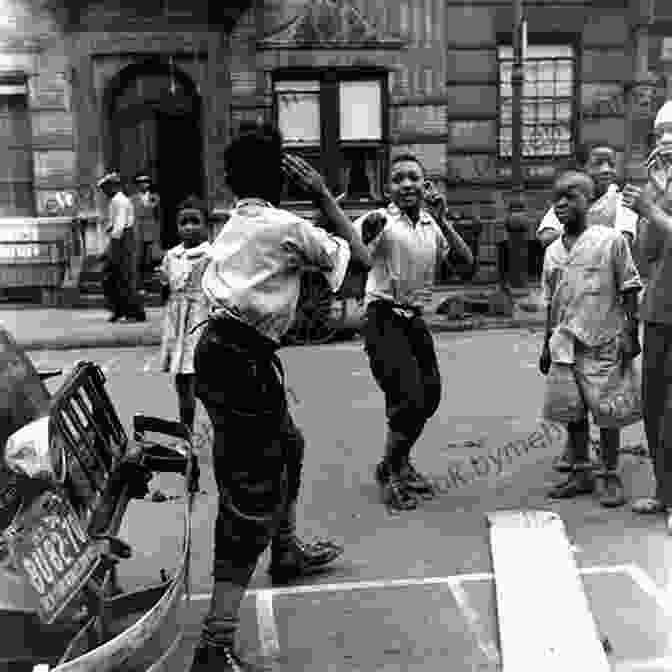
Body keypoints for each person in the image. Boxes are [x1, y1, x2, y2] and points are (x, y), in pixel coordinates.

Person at [188, 122, 372, 671]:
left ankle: (286, 551)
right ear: (280, 176)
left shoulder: (238, 224)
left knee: (288, 445)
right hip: (242, 361)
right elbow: (359, 260)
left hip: (224, 355)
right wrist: (321, 195)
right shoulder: (284, 224)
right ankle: (215, 644)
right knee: (250, 496)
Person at [353, 155, 474, 512]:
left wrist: (443, 218)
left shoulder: (430, 225)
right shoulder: (379, 220)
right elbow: (353, 253)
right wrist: (364, 235)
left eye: (413, 178)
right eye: (398, 179)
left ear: (426, 186)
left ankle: (400, 461)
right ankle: (389, 471)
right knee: (406, 398)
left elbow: (466, 266)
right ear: (388, 189)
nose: (406, 184)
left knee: (430, 394)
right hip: (382, 316)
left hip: (413, 319)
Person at [540, 170, 642, 507]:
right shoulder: (552, 252)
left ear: (591, 201)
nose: (562, 203)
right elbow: (550, 302)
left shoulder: (611, 241)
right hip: (564, 344)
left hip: (604, 339)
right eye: (557, 198)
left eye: (572, 196)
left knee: (608, 411)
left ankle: (609, 473)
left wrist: (630, 332)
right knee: (573, 410)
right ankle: (581, 470)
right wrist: (545, 344)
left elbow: (629, 288)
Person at [621, 99, 672, 530]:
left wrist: (654, 209)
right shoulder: (658, 184)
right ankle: (663, 490)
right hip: (658, 309)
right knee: (654, 406)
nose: (666, 142)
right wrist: (654, 200)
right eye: (659, 135)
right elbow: (647, 254)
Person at [158, 196, 211, 433]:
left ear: (206, 225)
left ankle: (220, 429)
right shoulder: (172, 256)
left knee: (206, 381)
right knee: (182, 383)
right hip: (177, 325)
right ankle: (186, 432)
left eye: (195, 221)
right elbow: (168, 285)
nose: (189, 227)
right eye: (183, 222)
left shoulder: (212, 255)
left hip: (201, 321)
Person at [537, 142, 638, 252]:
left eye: (611, 164)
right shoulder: (569, 198)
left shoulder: (624, 201)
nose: (606, 170)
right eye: (598, 164)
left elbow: (622, 243)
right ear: (582, 168)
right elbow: (547, 237)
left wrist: (572, 234)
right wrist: (603, 238)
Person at [97, 171, 146, 323]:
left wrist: (109, 250)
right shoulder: (116, 201)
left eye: (106, 189)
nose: (104, 193)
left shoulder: (120, 201)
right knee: (116, 278)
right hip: (120, 241)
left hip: (123, 243)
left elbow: (119, 227)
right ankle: (120, 310)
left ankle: (133, 312)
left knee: (123, 278)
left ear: (113, 187)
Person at [130, 172, 162, 288]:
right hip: (138, 230)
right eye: (141, 183)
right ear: (137, 185)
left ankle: (150, 284)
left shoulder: (155, 198)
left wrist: (157, 232)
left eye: (146, 182)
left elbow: (158, 217)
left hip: (150, 229)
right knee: (138, 258)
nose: (144, 185)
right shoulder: (132, 199)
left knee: (150, 259)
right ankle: (139, 285)